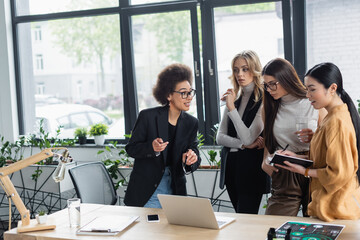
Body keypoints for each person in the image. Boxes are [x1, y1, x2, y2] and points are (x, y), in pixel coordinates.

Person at [277, 62, 360, 222]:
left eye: (312, 89)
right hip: (329, 208)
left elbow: (338, 172)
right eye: (307, 89)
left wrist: (304, 171)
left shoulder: (337, 121)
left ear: (333, 88)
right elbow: (323, 161)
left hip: (336, 211)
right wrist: (295, 157)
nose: (308, 95)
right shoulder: (331, 117)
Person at [124, 63, 201, 208]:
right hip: (148, 189)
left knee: (173, 230)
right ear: (168, 95)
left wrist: (192, 158)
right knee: (151, 229)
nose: (189, 97)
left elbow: (194, 151)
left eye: (190, 92)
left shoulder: (191, 123)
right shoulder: (148, 116)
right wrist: (152, 148)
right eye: (183, 92)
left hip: (175, 189)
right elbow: (131, 148)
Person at [261, 58, 321, 216]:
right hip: (285, 171)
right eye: (266, 85)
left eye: (272, 84)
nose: (269, 89)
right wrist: (265, 162)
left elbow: (328, 141)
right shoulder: (269, 106)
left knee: (316, 230)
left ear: (286, 78)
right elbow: (269, 143)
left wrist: (314, 137)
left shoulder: (313, 102)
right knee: (274, 229)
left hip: (313, 169)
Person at [216, 50, 269, 214]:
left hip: (251, 169)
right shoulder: (234, 97)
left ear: (255, 70)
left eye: (245, 69)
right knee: (240, 219)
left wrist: (231, 108)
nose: (240, 74)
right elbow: (219, 137)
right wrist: (242, 145)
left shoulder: (264, 99)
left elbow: (248, 137)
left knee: (246, 218)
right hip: (231, 165)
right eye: (236, 69)